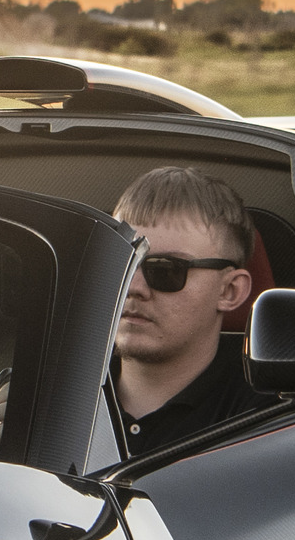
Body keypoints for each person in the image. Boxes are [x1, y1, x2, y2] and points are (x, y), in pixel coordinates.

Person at [109, 164, 265, 458]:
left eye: (167, 270)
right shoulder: (61, 392)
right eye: (121, 264)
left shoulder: (268, 421)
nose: (133, 287)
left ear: (229, 291)